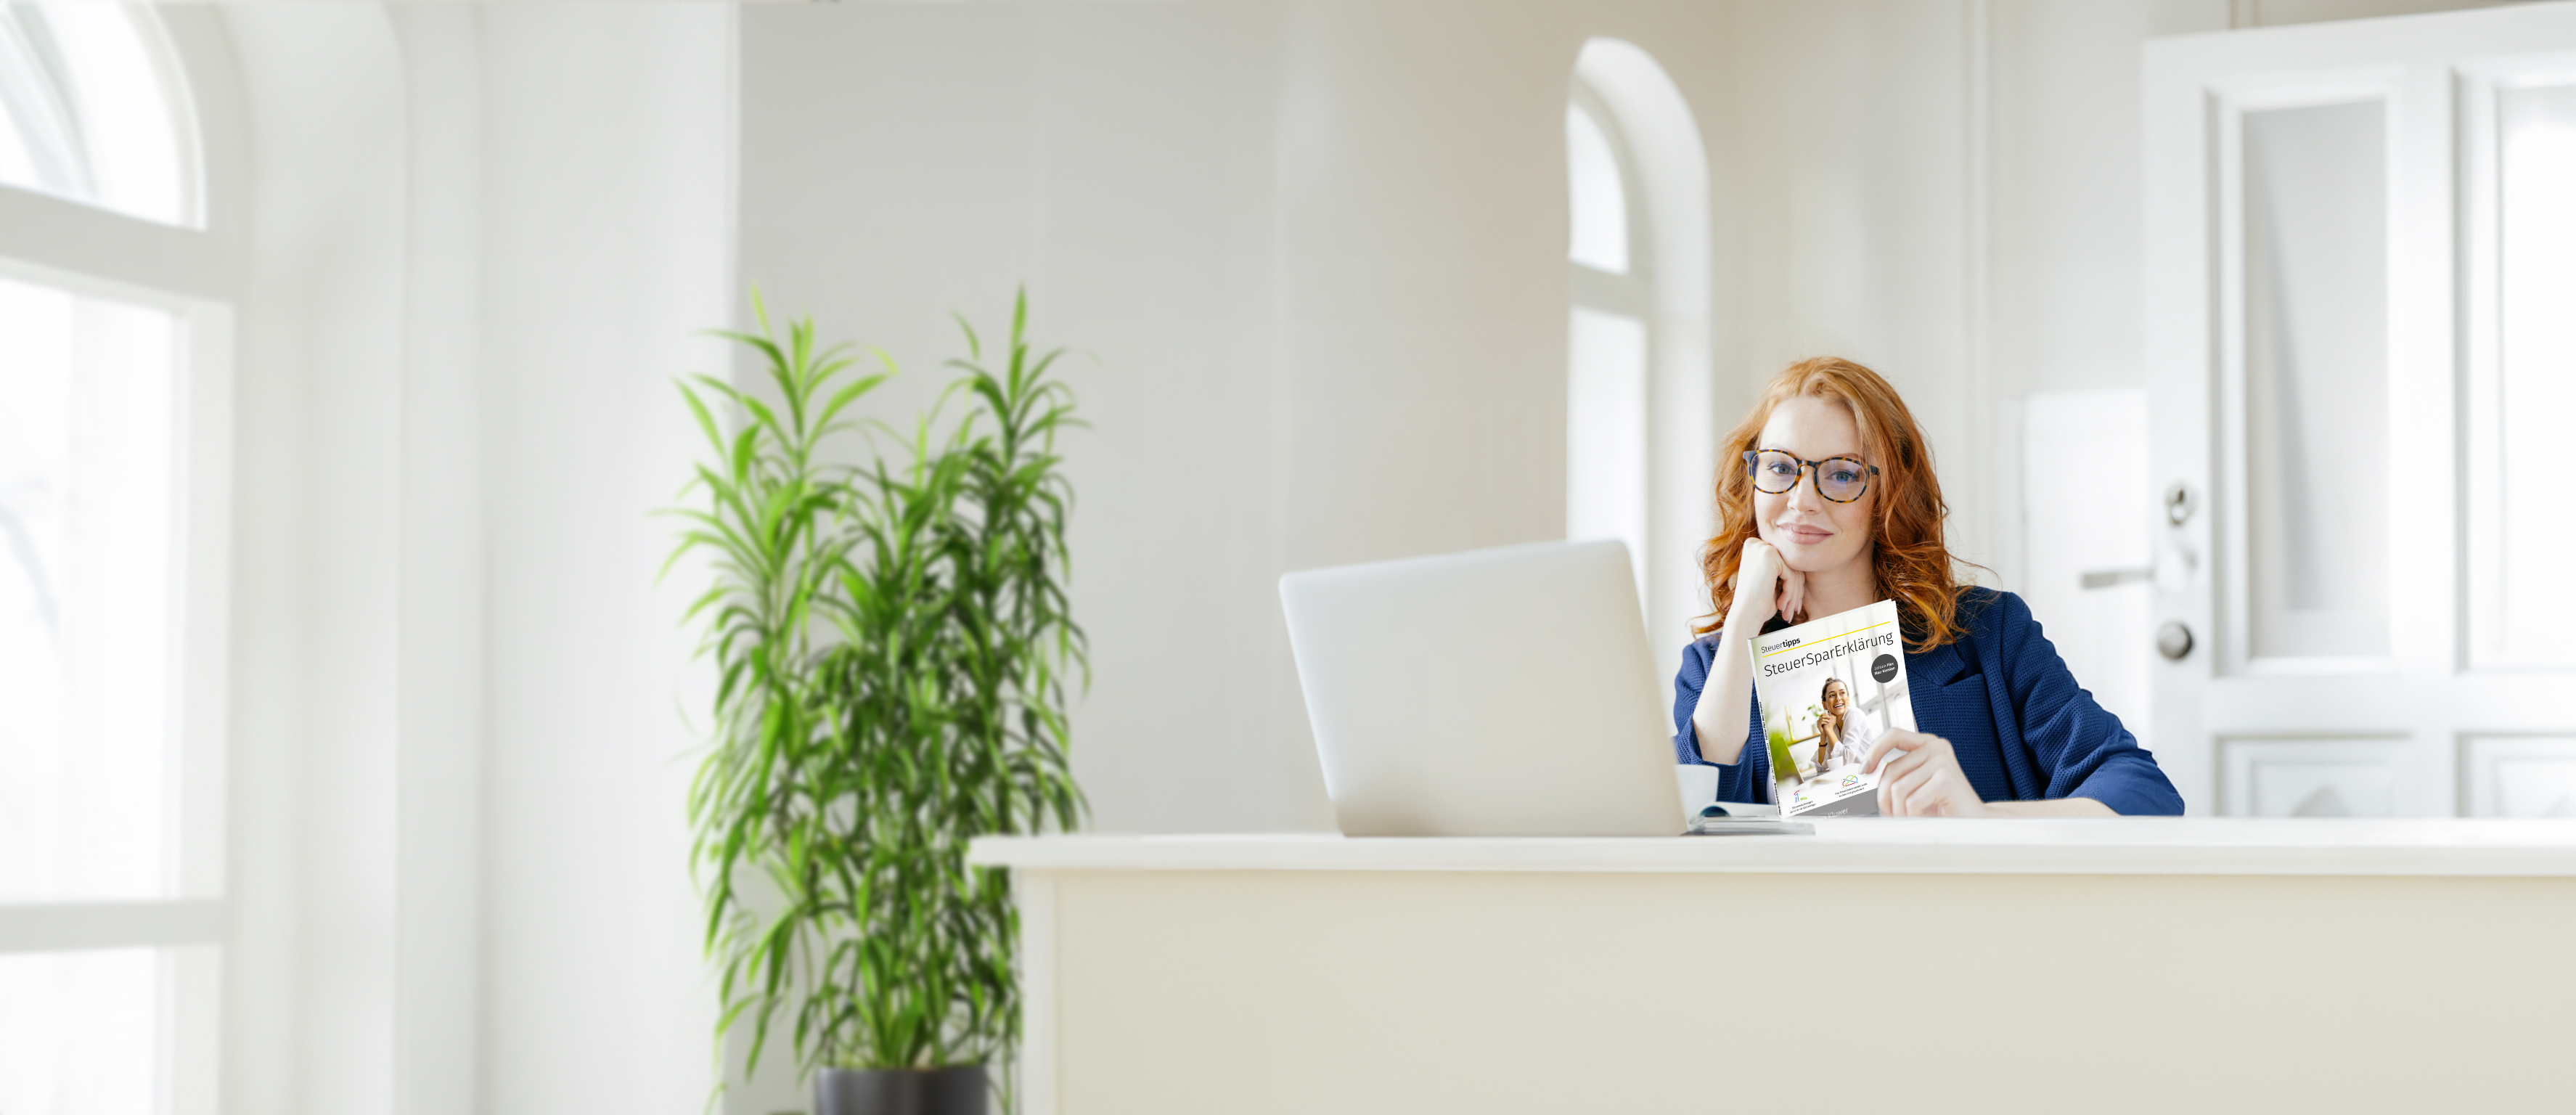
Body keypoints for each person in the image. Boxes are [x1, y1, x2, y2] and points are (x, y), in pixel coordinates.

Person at [1669, 357, 2183, 817]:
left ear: (1889, 493)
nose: (1802, 500)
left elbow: (2143, 793)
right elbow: (1691, 816)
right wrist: (1741, 621)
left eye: (1843, 475)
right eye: (1780, 468)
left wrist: (1979, 821)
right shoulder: (1715, 668)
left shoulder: (1989, 633)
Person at [1812, 676, 1873, 775]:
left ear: (1848, 699)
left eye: (1842, 693)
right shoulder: (1832, 725)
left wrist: (1829, 731)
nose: (1838, 698)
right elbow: (1821, 767)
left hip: (1871, 776)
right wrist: (1824, 734)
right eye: (1832, 695)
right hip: (1855, 778)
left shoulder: (1854, 714)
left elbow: (1845, 763)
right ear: (1824, 704)